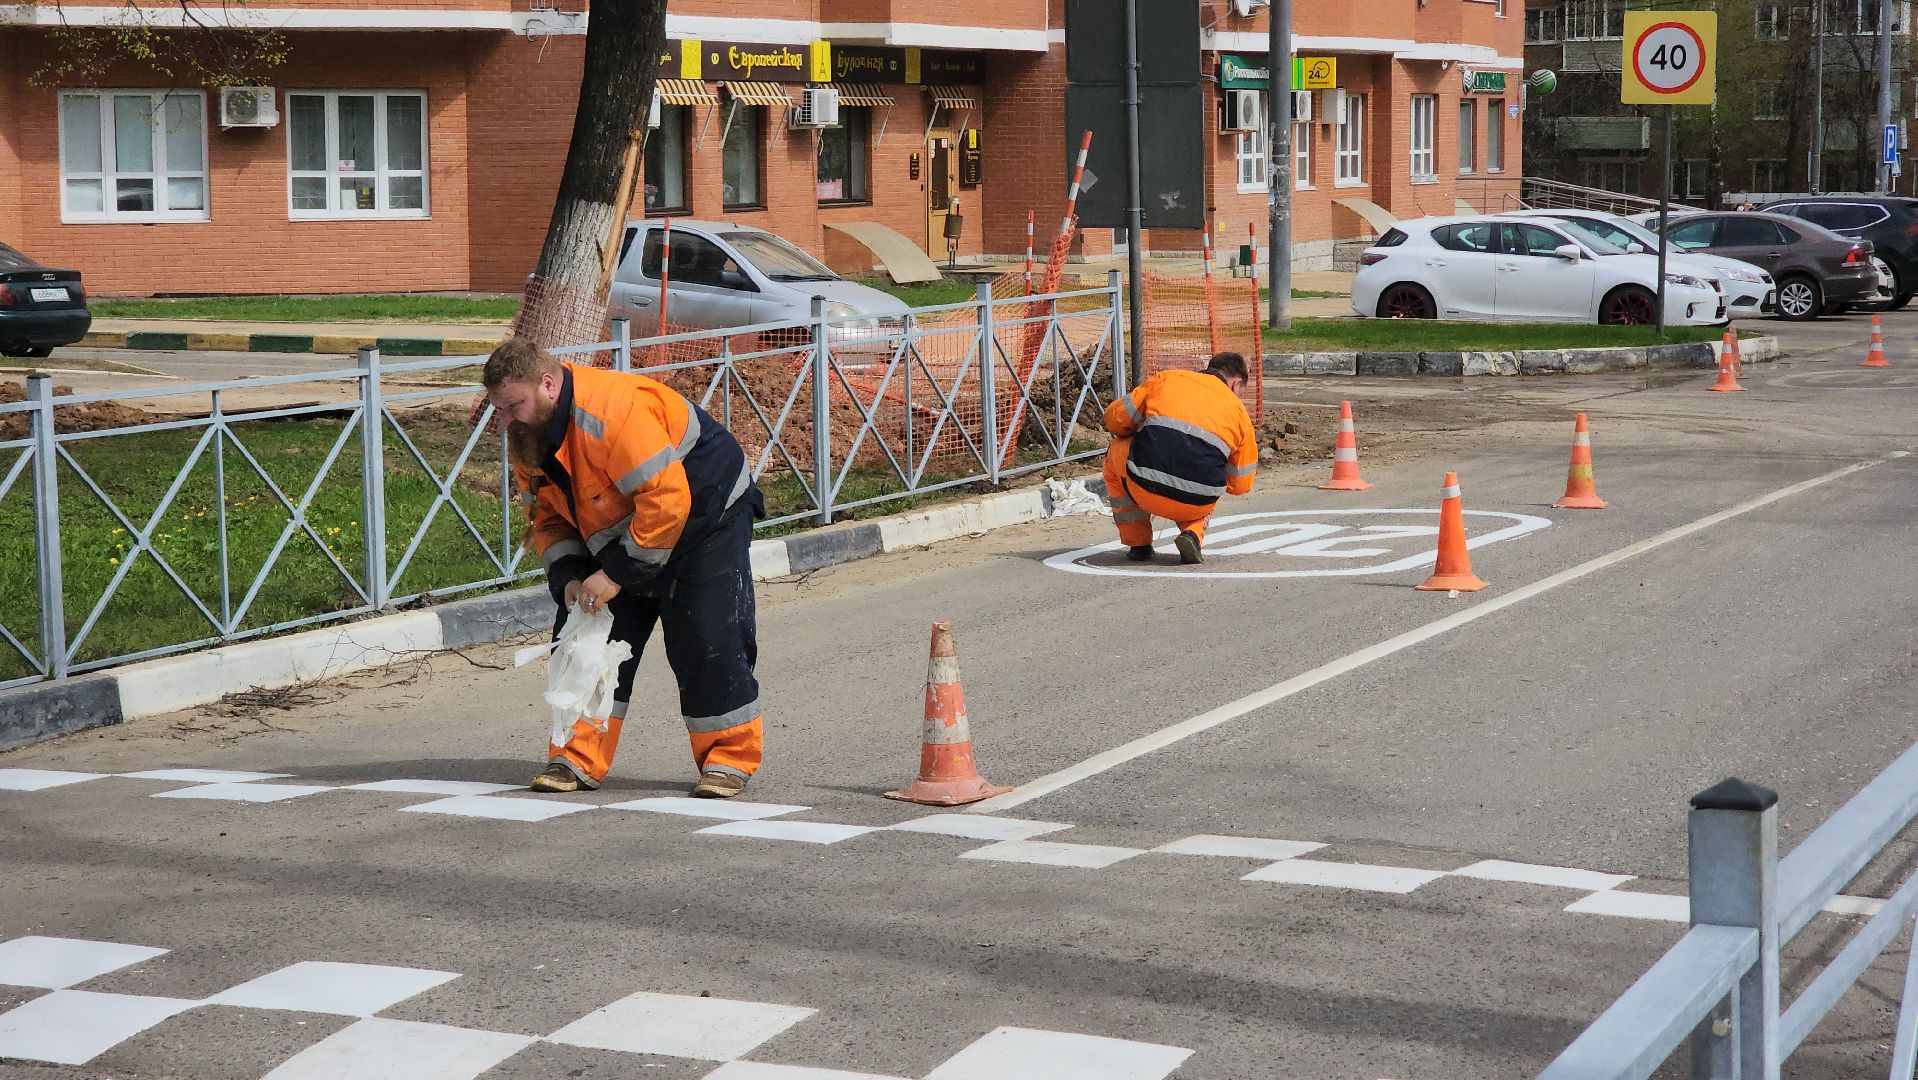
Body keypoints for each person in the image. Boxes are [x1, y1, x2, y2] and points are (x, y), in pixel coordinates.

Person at [484, 339, 765, 798]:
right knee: (585, 638)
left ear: (548, 385)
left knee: (707, 638)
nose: (506, 420)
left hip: (706, 516)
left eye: (513, 406)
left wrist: (613, 575)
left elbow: (668, 502)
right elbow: (549, 518)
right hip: (628, 526)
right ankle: (573, 758)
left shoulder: (612, 413)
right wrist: (572, 577)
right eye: (500, 409)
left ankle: (728, 758)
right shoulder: (527, 439)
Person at [1102, 352, 1258, 565]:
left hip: (1144, 487)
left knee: (1115, 451)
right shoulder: (1240, 414)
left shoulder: (1168, 379)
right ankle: (1193, 534)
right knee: (1209, 476)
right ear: (1235, 383)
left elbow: (1115, 420)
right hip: (1196, 503)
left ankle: (1138, 544)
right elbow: (1240, 485)